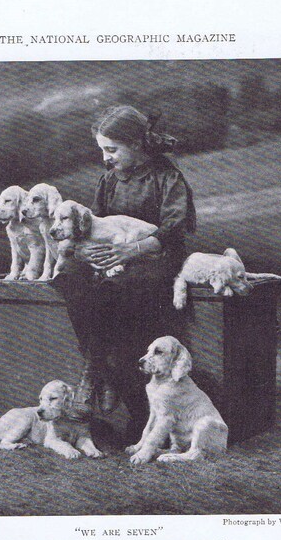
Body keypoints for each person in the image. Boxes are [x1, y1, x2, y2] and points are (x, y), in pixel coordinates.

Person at [53, 105, 196, 443]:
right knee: (70, 276)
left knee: (119, 289)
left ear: (136, 144)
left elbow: (175, 230)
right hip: (111, 254)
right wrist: (84, 252)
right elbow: (91, 223)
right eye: (102, 149)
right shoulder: (110, 179)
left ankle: (100, 382)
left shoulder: (167, 176)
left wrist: (132, 251)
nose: (105, 157)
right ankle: (101, 373)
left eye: (111, 149)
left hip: (155, 258)